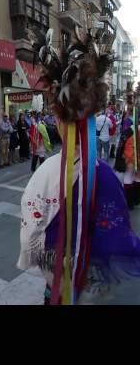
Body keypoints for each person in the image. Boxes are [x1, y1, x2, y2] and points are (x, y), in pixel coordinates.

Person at [17, 26, 140, 305]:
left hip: (58, 282)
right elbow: (116, 231)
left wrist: (54, 265)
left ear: (60, 121)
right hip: (92, 286)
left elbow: (30, 238)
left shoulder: (46, 172)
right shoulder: (106, 173)